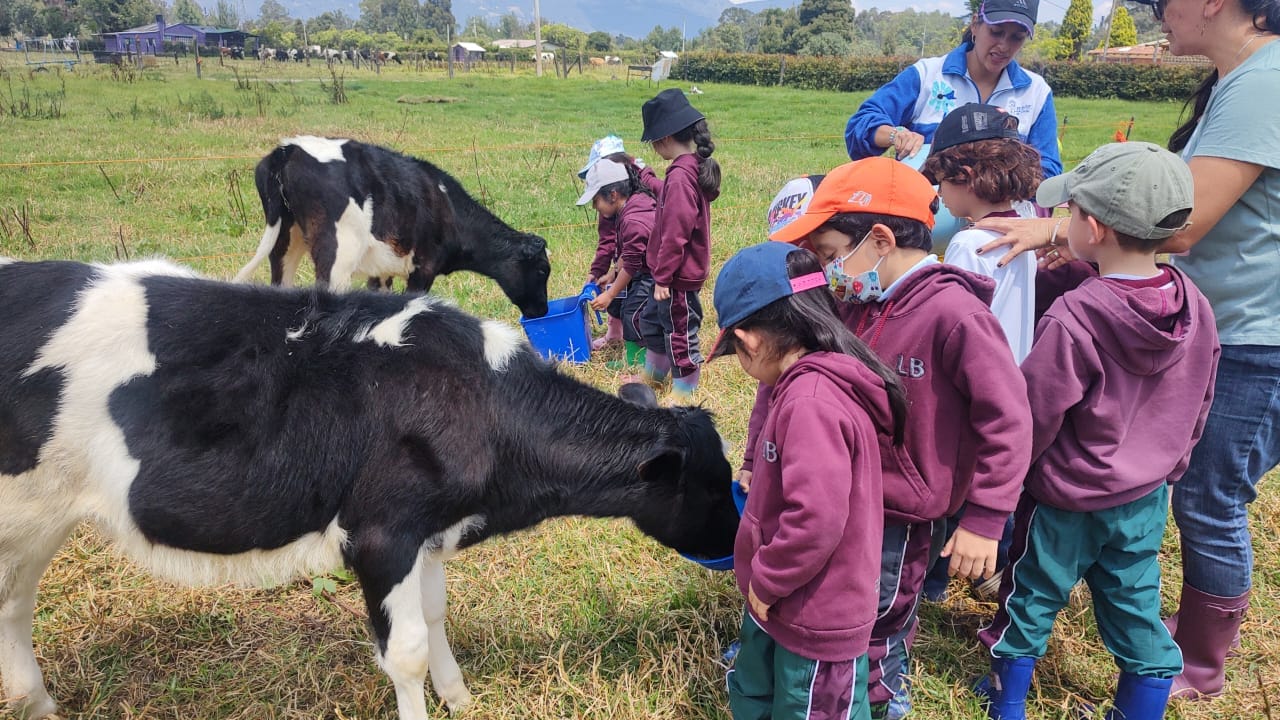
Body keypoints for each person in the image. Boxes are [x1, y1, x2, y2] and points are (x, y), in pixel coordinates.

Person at [973, 0, 1278, 698]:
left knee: (1211, 500)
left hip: (1256, 330)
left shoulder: (1264, 83)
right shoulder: (1188, 304)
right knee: (1181, 513)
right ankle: (1167, 654)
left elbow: (1182, 223)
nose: (1159, 13)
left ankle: (1200, 660)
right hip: (1199, 354)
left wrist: (1056, 234)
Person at [768, 157, 1033, 720]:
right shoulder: (853, 303)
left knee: (880, 615)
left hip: (902, 513)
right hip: (845, 498)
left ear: (881, 241)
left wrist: (986, 520)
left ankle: (882, 697)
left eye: (832, 254)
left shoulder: (955, 315)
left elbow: (1008, 420)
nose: (829, 270)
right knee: (840, 602)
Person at [975, 142, 1219, 720]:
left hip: (1066, 497)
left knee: (1031, 595)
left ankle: (1006, 704)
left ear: (1093, 227)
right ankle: (1140, 708)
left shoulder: (1074, 316)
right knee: (1136, 604)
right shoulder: (1195, 307)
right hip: (1144, 497)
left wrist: (1009, 481)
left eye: (1072, 210)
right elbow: (1202, 399)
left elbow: (1035, 413)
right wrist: (1172, 466)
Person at [710, 241, 909, 720]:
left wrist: (767, 579)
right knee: (760, 690)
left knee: (812, 706)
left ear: (749, 341)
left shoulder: (810, 403)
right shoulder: (806, 385)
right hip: (787, 602)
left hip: (815, 613)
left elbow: (815, 519)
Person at [844, 0, 1061, 182]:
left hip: (999, 219)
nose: (1004, 46)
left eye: (1017, 37)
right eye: (996, 32)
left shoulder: (1036, 92)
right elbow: (860, 125)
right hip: (921, 215)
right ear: (975, 25)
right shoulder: (927, 75)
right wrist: (895, 135)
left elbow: (1048, 170)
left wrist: (994, 188)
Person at [636, 88, 720, 402]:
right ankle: (655, 375)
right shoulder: (684, 170)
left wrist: (663, 278)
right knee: (654, 323)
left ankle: (685, 389)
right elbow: (668, 198)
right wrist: (646, 176)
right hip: (668, 273)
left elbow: (676, 233)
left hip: (676, 278)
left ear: (665, 138)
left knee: (679, 331)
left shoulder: (681, 177)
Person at [577, 135, 661, 350]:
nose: (595, 207)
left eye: (596, 201)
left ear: (613, 194)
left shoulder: (633, 220)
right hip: (644, 268)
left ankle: (643, 360)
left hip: (655, 273)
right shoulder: (627, 209)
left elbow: (632, 263)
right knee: (626, 307)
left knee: (634, 314)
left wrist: (610, 293)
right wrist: (611, 274)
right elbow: (629, 252)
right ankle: (631, 352)